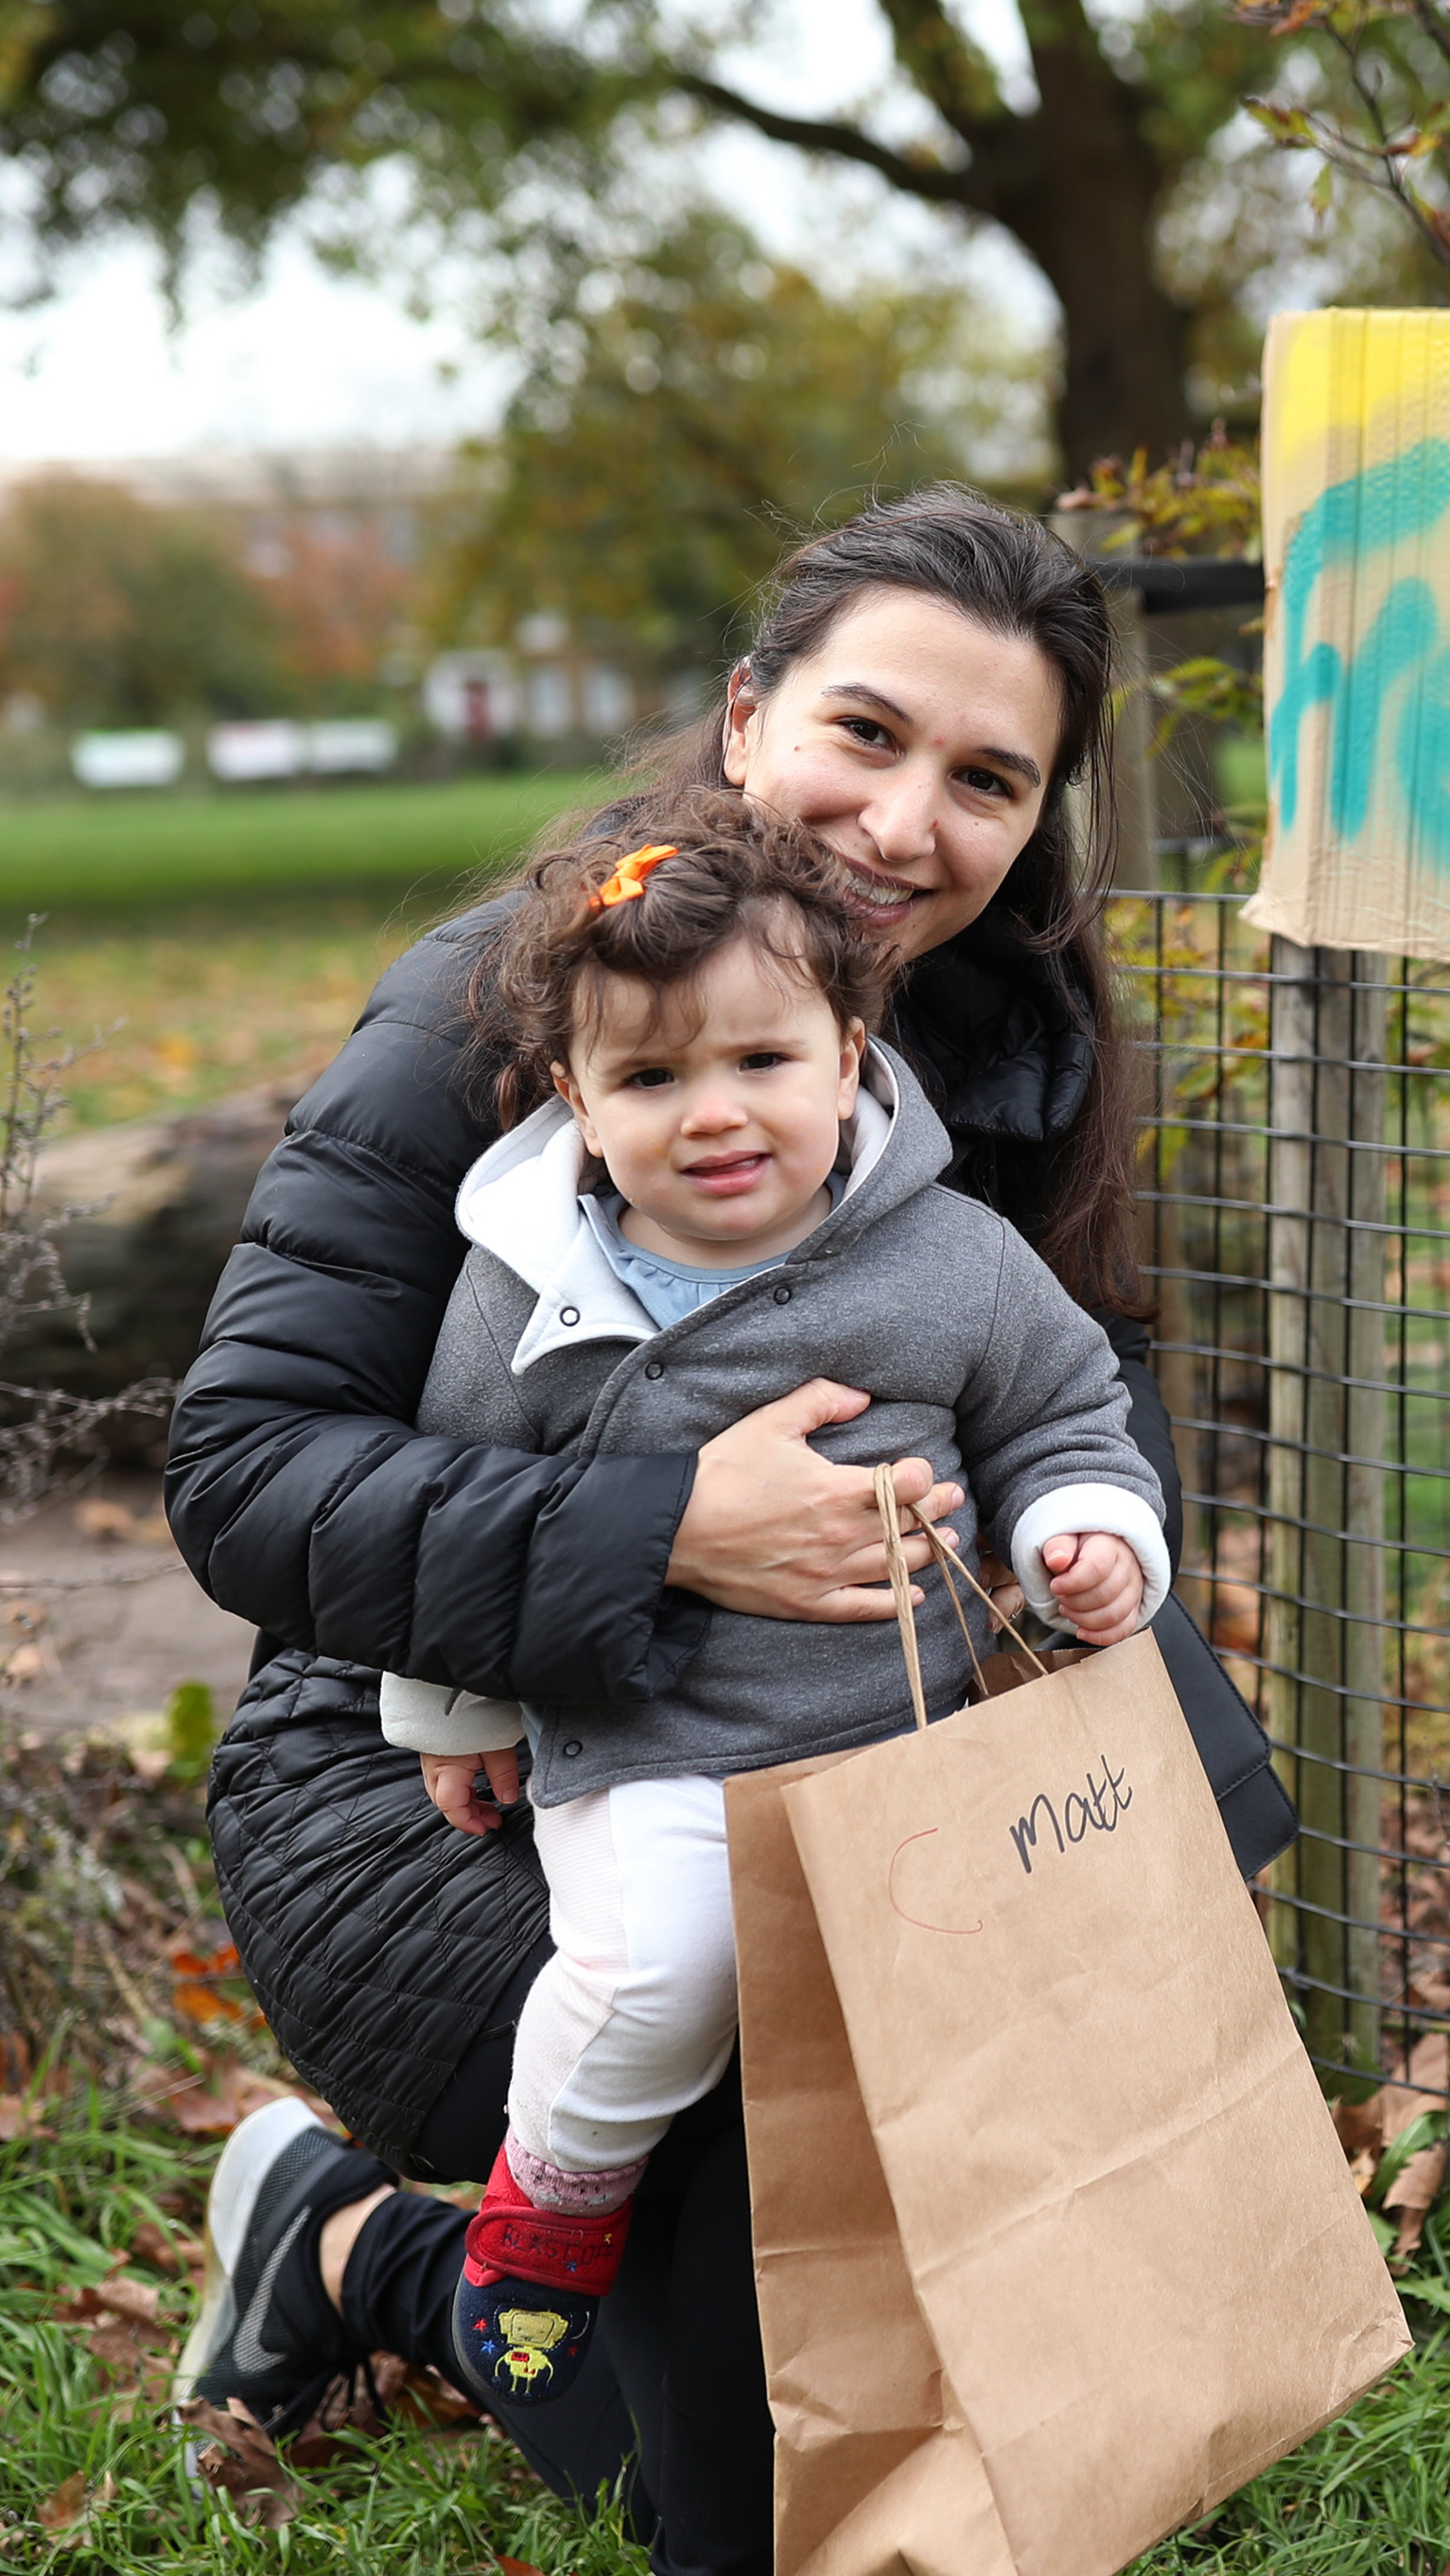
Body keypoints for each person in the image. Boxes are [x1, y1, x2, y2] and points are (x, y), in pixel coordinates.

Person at [164, 485, 1167, 2576]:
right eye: (866, 734)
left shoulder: (999, 1055)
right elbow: (243, 1474)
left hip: (850, 1744)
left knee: (1140, 1859)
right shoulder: (519, 1002)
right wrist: (664, 1531)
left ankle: (353, 2256)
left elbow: (1079, 1397)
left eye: (987, 777)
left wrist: (1076, 1572)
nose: (910, 821)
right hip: (447, 1774)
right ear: (743, 719)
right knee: (737, 2155)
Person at [376, 796, 1165, 2410]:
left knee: (1003, 2015)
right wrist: (459, 1709)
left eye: (760, 1062)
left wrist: (1086, 1530)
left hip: (922, 1737)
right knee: (664, 1965)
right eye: (651, 1078)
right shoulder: (528, 1286)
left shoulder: (946, 1259)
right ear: (576, 1105)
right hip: (657, 1742)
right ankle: (548, 2210)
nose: (713, 1115)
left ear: (852, 1050)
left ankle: (1041, 2315)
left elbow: (1063, 1411)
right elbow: (458, 1491)